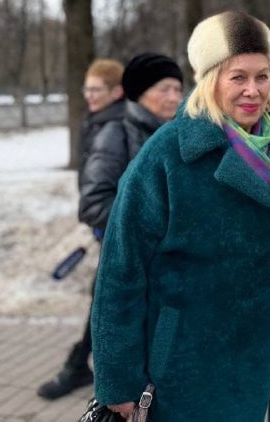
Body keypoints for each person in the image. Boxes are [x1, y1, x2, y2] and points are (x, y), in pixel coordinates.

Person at [90, 11, 270, 422]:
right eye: (238, 77)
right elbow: (121, 270)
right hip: (190, 371)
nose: (253, 90)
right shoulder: (168, 155)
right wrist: (119, 381)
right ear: (210, 79)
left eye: (262, 76)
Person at [37, 53, 184, 400]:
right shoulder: (116, 132)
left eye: (178, 89)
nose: (174, 98)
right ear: (139, 93)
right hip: (127, 255)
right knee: (111, 317)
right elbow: (94, 203)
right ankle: (94, 380)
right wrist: (150, 226)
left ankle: (87, 371)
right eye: (164, 89)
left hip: (165, 263)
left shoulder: (173, 133)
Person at [37, 57, 126, 400]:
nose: (89, 95)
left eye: (97, 89)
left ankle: (79, 366)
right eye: (87, 89)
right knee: (105, 301)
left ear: (117, 92)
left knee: (105, 303)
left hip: (117, 232)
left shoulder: (116, 127)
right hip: (106, 229)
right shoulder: (98, 121)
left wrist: (106, 220)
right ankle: (82, 366)